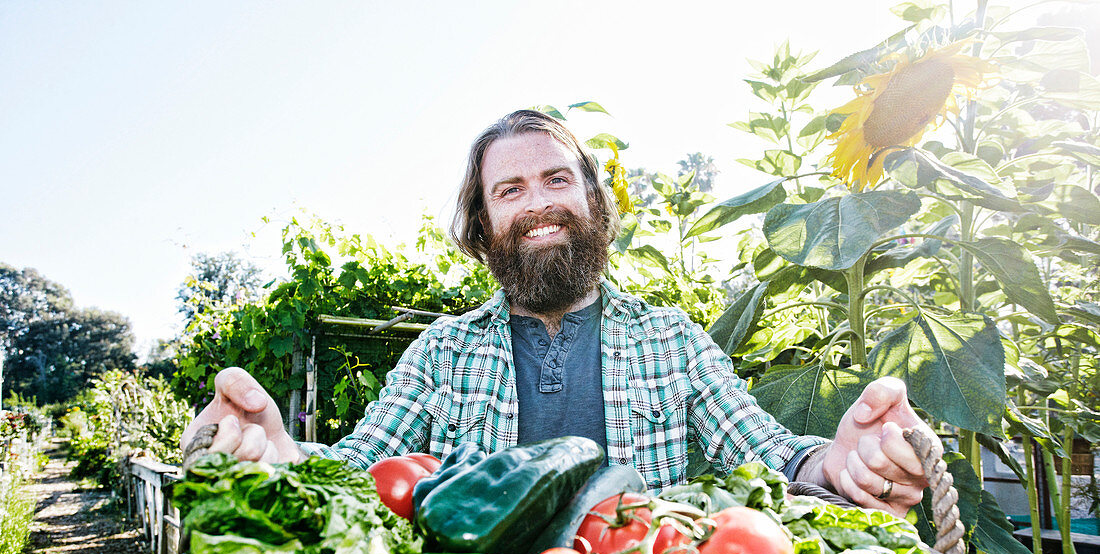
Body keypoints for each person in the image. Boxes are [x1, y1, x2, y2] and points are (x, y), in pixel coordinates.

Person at [181, 109, 935, 517]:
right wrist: (278, 455)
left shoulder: (672, 339)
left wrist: (831, 465)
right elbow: (358, 466)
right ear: (481, 226)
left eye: (556, 179)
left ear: (592, 202)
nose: (538, 202)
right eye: (509, 190)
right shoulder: (442, 352)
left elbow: (763, 448)